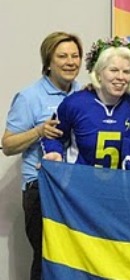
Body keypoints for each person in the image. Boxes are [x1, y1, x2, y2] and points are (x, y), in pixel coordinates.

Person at [1, 31, 83, 280]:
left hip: (76, 190)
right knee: (46, 259)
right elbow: (7, 145)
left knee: (75, 261)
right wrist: (39, 131)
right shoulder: (29, 97)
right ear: (48, 62)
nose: (70, 62)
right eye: (62, 56)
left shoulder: (84, 94)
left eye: (75, 55)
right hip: (41, 190)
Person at [42, 36, 130, 168]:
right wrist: (54, 153)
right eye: (113, 70)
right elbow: (54, 136)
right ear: (99, 73)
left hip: (122, 186)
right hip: (80, 185)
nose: (120, 77)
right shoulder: (74, 103)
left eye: (126, 72)